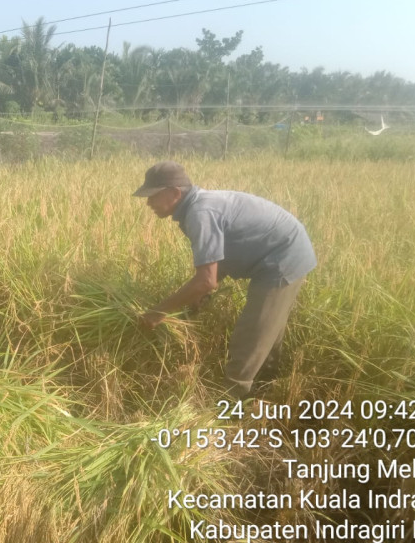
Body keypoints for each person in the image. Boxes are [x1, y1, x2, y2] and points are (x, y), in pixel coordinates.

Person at [134, 161, 316, 399]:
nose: (148, 203)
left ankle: (231, 401)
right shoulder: (196, 208)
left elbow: (205, 280)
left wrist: (159, 311)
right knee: (268, 329)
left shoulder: (200, 213)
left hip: (283, 257)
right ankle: (266, 389)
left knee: (254, 332)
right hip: (276, 251)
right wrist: (201, 293)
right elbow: (222, 254)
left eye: (153, 196)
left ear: (174, 193)